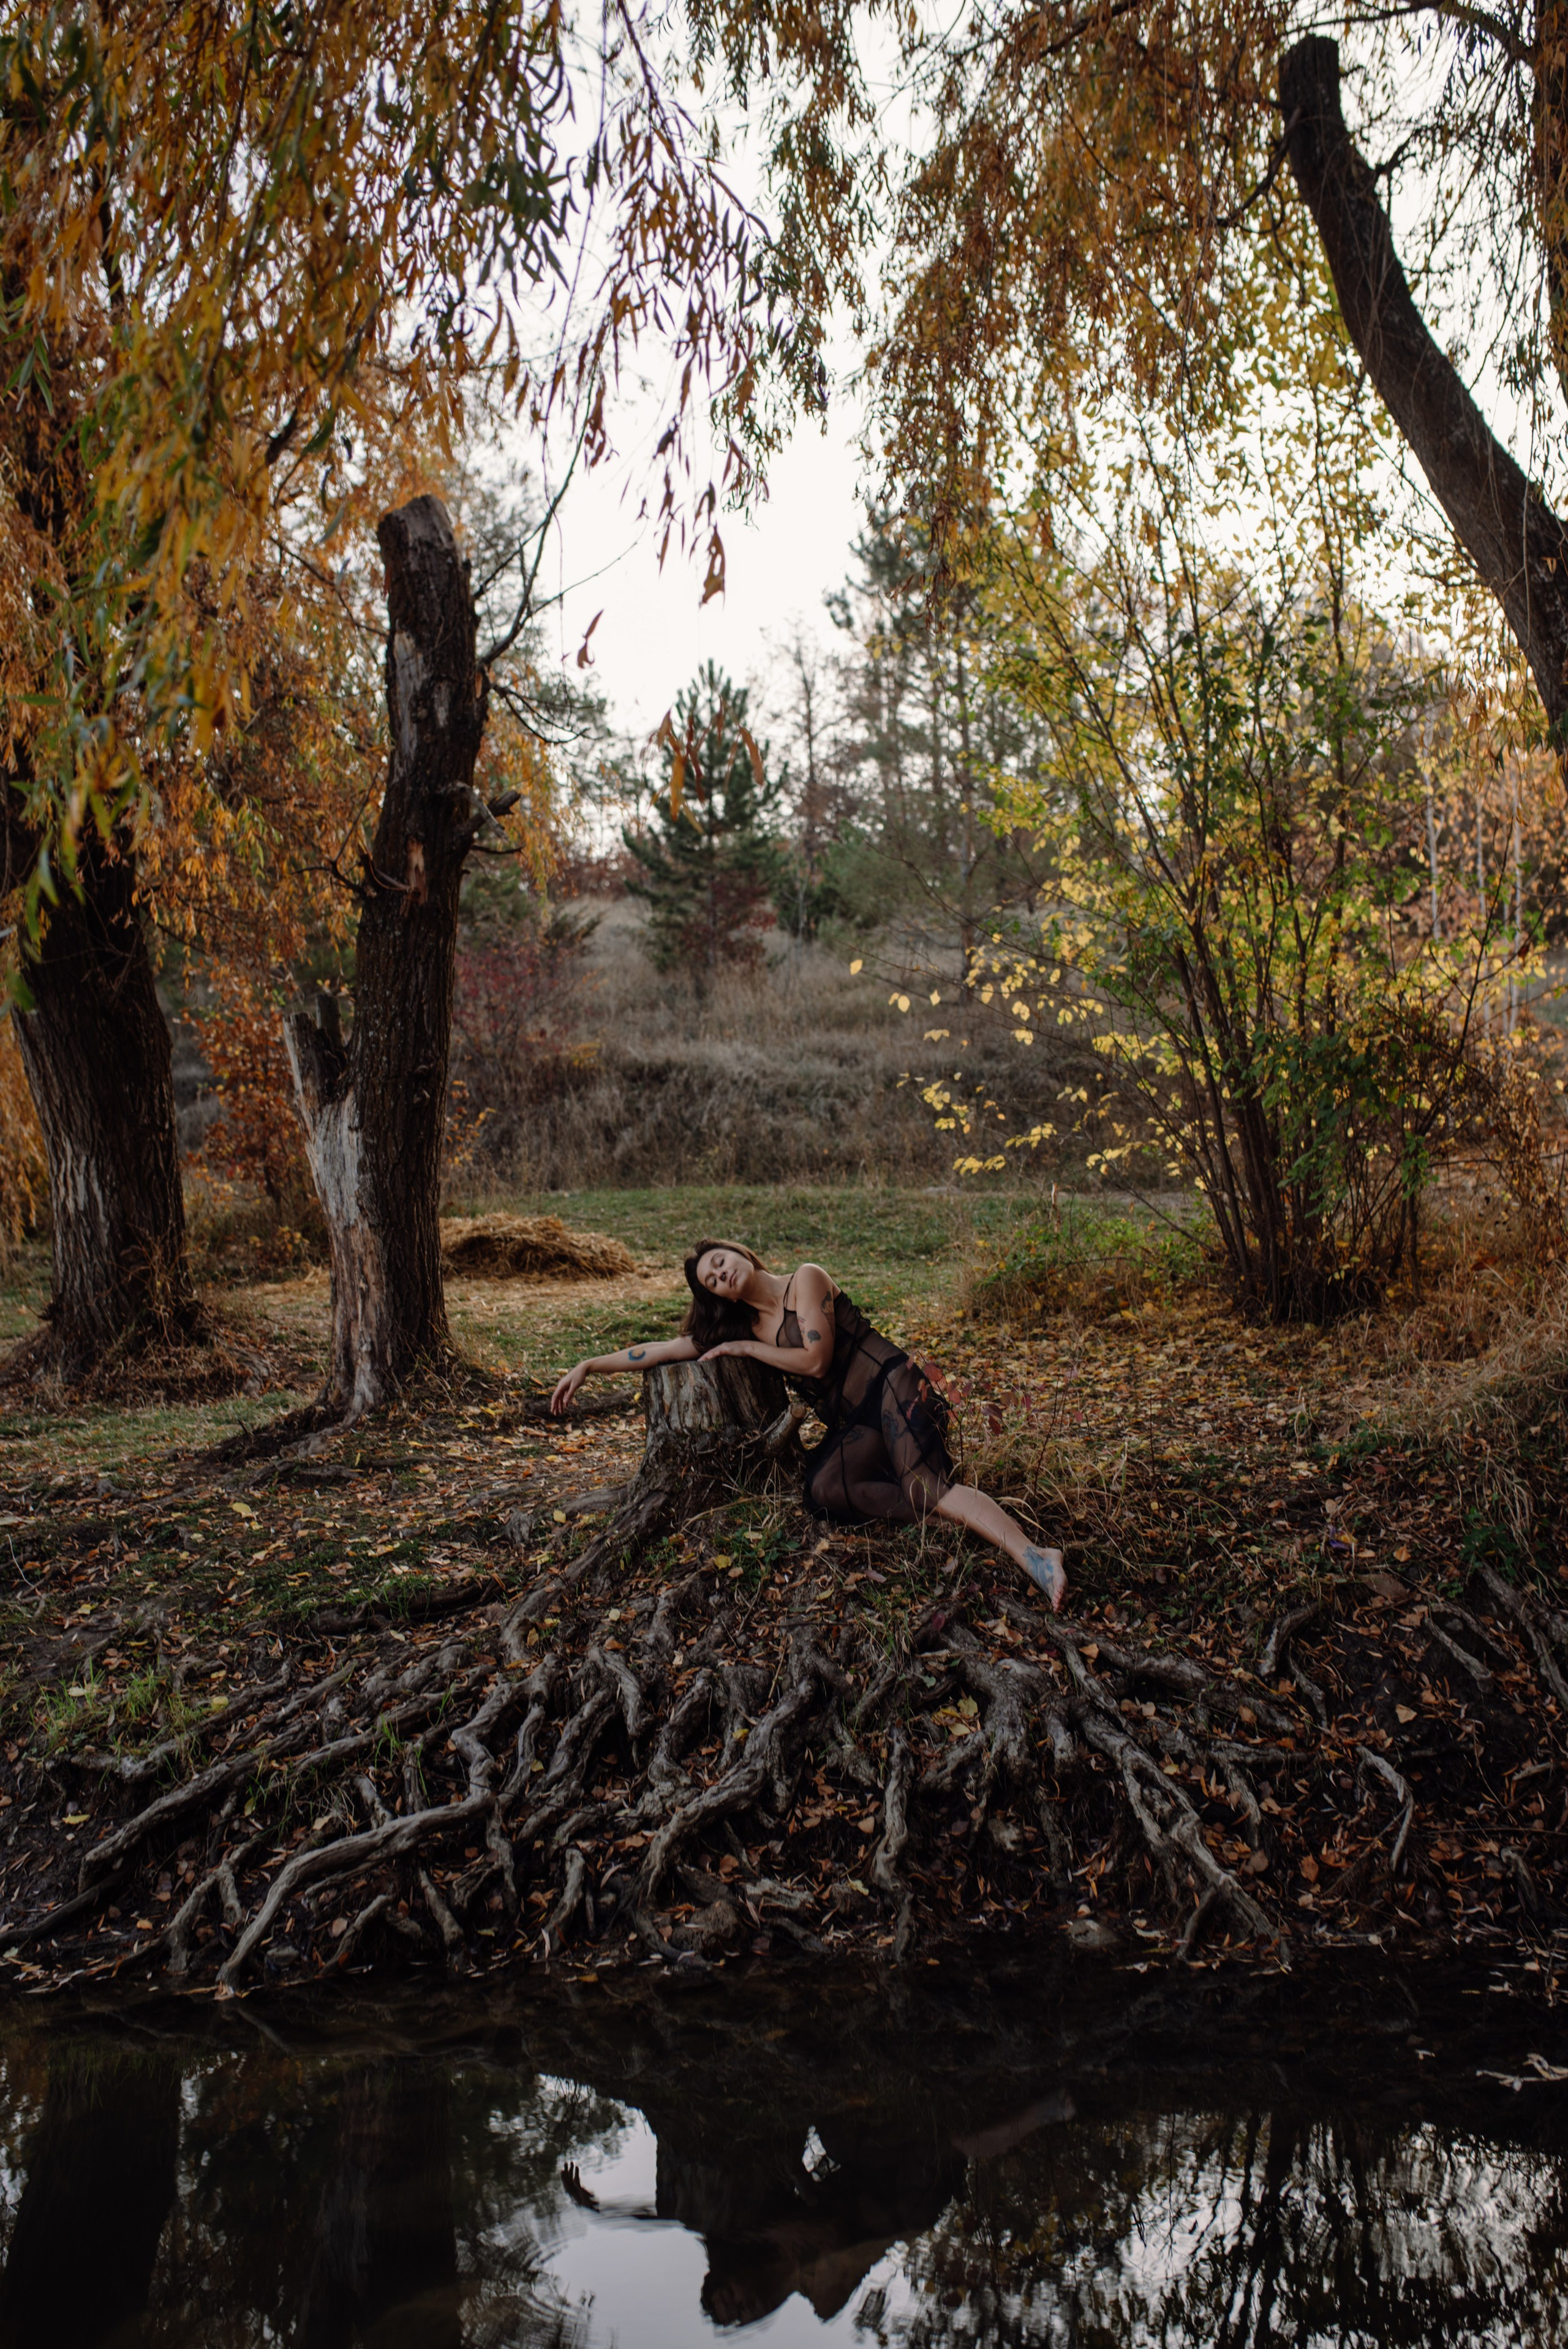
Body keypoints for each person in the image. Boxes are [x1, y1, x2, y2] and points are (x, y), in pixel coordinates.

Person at [549, 1237, 1067, 1608]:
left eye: (721, 1262)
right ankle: (951, 1512)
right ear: (720, 1296)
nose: (721, 1274)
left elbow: (817, 1363)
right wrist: (590, 1365)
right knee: (824, 1489)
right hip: (855, 1421)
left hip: (895, 1384)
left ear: (740, 1251)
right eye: (712, 1280)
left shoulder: (806, 1279)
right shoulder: (739, 1323)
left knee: (924, 1483)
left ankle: (1034, 1554)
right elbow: (659, 1351)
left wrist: (748, 1347)